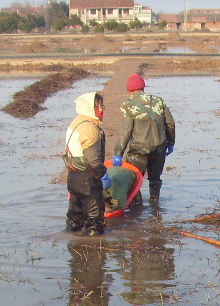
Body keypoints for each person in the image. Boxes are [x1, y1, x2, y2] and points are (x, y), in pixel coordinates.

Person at [112, 73, 175, 204]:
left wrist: (118, 153)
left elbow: (126, 131)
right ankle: (155, 204)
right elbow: (170, 124)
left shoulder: (128, 106)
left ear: (129, 90)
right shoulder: (159, 101)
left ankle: (136, 205)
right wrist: (170, 142)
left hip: (138, 150)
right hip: (159, 148)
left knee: (134, 178)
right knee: (155, 179)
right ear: (143, 88)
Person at [64, 92, 112, 236]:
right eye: (96, 106)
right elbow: (93, 161)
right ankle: (94, 254)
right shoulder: (90, 128)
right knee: (95, 223)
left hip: (73, 178)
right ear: (89, 108)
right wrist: (103, 174)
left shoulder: (77, 122)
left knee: (75, 220)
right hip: (87, 180)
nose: (101, 109)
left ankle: (74, 252)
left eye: (101, 105)